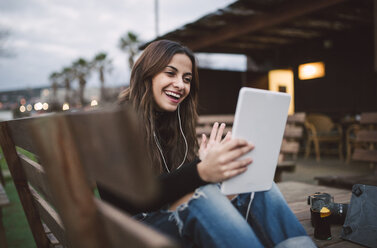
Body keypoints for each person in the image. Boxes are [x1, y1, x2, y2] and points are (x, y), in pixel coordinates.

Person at [98, 40, 316, 248]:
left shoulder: (173, 126)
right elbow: (123, 202)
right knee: (203, 199)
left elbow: (170, 186)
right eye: (170, 73)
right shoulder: (113, 125)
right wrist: (199, 171)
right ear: (147, 74)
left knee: (255, 187)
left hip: (166, 217)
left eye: (187, 78)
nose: (180, 85)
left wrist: (204, 163)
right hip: (132, 232)